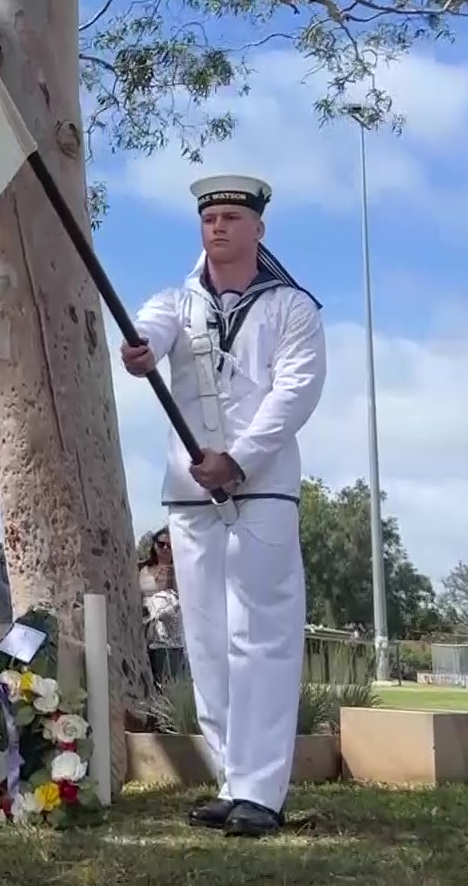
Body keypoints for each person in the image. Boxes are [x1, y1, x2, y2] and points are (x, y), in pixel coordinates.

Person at [122, 174, 324, 839]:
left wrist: (238, 459)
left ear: (259, 228)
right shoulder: (176, 302)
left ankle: (262, 792)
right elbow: (150, 332)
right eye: (210, 217)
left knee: (261, 635)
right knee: (207, 638)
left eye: (233, 217)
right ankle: (231, 779)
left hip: (259, 487)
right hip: (192, 494)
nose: (219, 227)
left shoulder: (293, 308)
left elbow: (294, 392)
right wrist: (140, 350)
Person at [137, 527, 185, 683]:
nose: (165, 548)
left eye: (169, 545)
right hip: (141, 630)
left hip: (166, 636)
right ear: (154, 545)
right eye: (161, 544)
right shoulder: (141, 568)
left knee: (164, 681)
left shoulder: (179, 571)